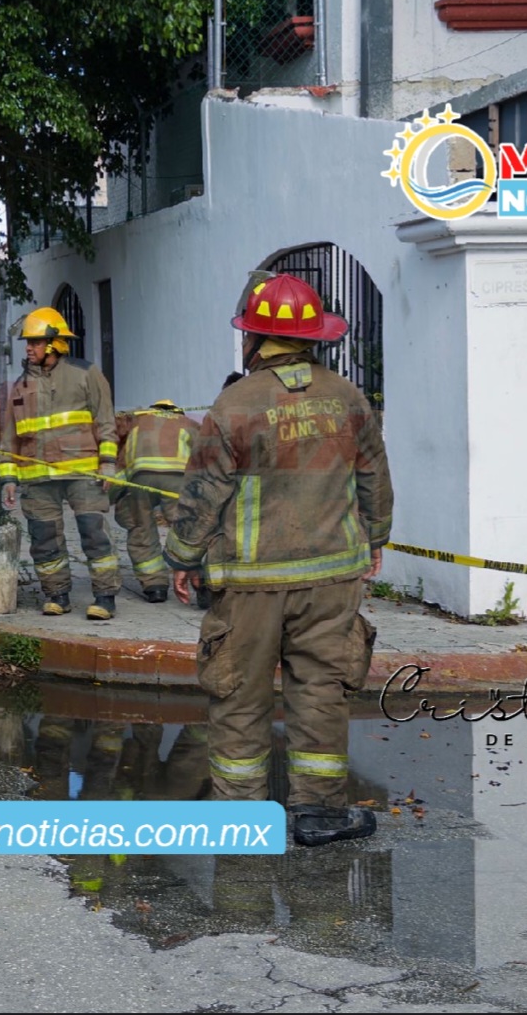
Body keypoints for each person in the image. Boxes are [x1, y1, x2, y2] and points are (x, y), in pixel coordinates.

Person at [163, 273, 393, 848]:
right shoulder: (345, 396)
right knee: (320, 690)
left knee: (239, 695)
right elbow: (374, 476)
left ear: (254, 340)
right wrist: (377, 538)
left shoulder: (234, 404)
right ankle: (317, 814)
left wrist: (182, 557)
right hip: (331, 578)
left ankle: (241, 820)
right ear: (313, 338)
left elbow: (204, 492)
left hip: (249, 585)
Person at [0, 307, 121, 620]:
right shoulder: (20, 386)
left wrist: (108, 464)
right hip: (37, 479)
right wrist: (8, 478)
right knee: (44, 539)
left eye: (36, 342)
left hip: (82, 472)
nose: (29, 347)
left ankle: (105, 597)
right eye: (28, 342)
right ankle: (57, 594)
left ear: (55, 344)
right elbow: (10, 438)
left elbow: (106, 421)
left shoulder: (86, 373)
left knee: (94, 534)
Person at [112, 399, 198, 603]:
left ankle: (154, 585)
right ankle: (200, 582)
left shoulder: (136, 420)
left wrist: (113, 495)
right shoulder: (188, 423)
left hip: (139, 477)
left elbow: (113, 434)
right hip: (178, 478)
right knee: (187, 528)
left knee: (140, 526)